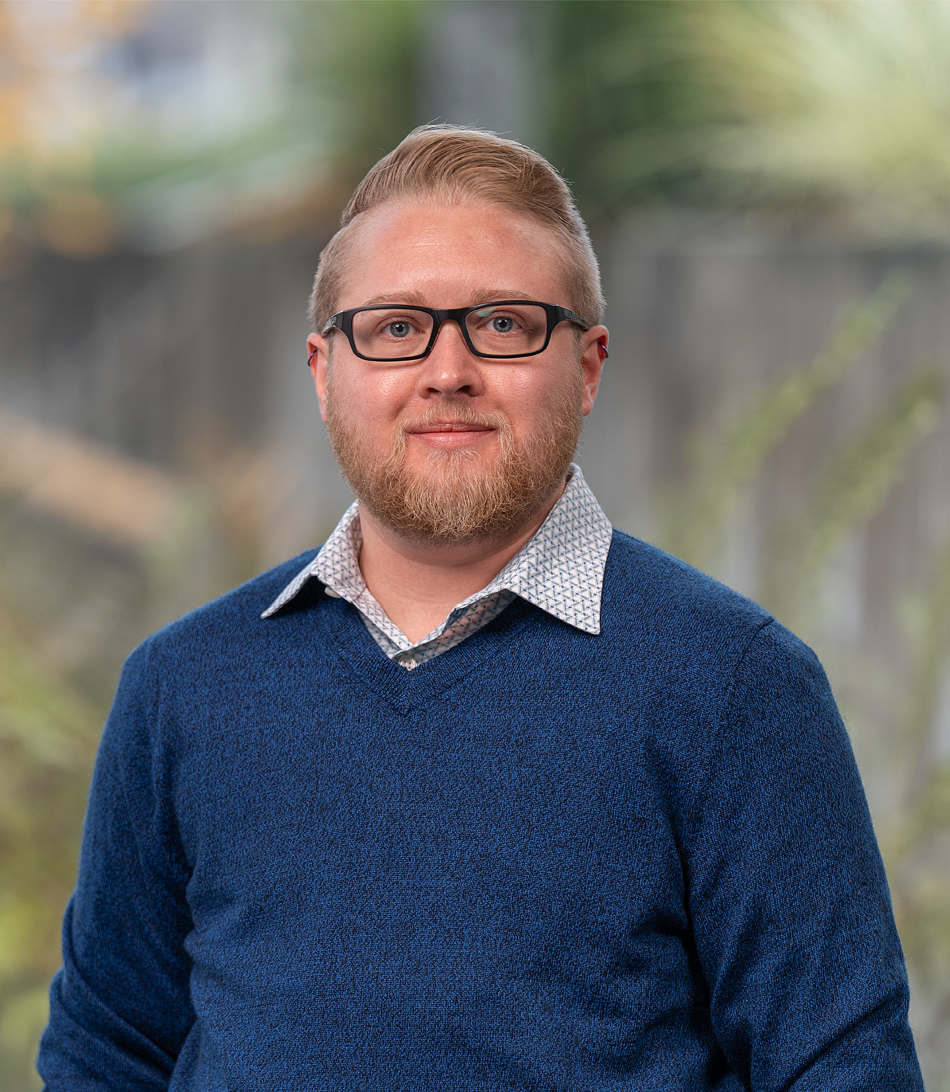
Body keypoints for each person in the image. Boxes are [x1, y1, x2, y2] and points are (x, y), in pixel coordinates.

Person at [38, 126, 923, 1091]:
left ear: (587, 367)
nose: (447, 369)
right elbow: (106, 1049)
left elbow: (842, 1071)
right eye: (394, 326)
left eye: (504, 324)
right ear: (324, 371)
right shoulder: (183, 684)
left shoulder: (735, 686)